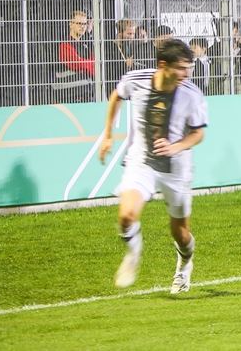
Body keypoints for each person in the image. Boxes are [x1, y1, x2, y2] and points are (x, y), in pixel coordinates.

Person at [98, 39, 208, 294]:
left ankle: (185, 262)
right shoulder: (136, 80)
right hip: (142, 161)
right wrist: (107, 135)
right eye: (181, 68)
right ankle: (134, 254)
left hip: (176, 167)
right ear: (162, 65)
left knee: (181, 234)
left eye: (188, 68)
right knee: (126, 216)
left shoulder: (192, 95)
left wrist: (176, 147)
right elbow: (116, 96)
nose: (186, 74)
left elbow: (198, 133)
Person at [54, 9, 95, 103]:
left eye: (84, 24)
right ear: (71, 24)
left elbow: (96, 66)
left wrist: (86, 63)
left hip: (85, 95)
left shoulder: (85, 45)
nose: (82, 26)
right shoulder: (65, 44)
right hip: (68, 96)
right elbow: (76, 64)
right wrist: (89, 64)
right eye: (79, 23)